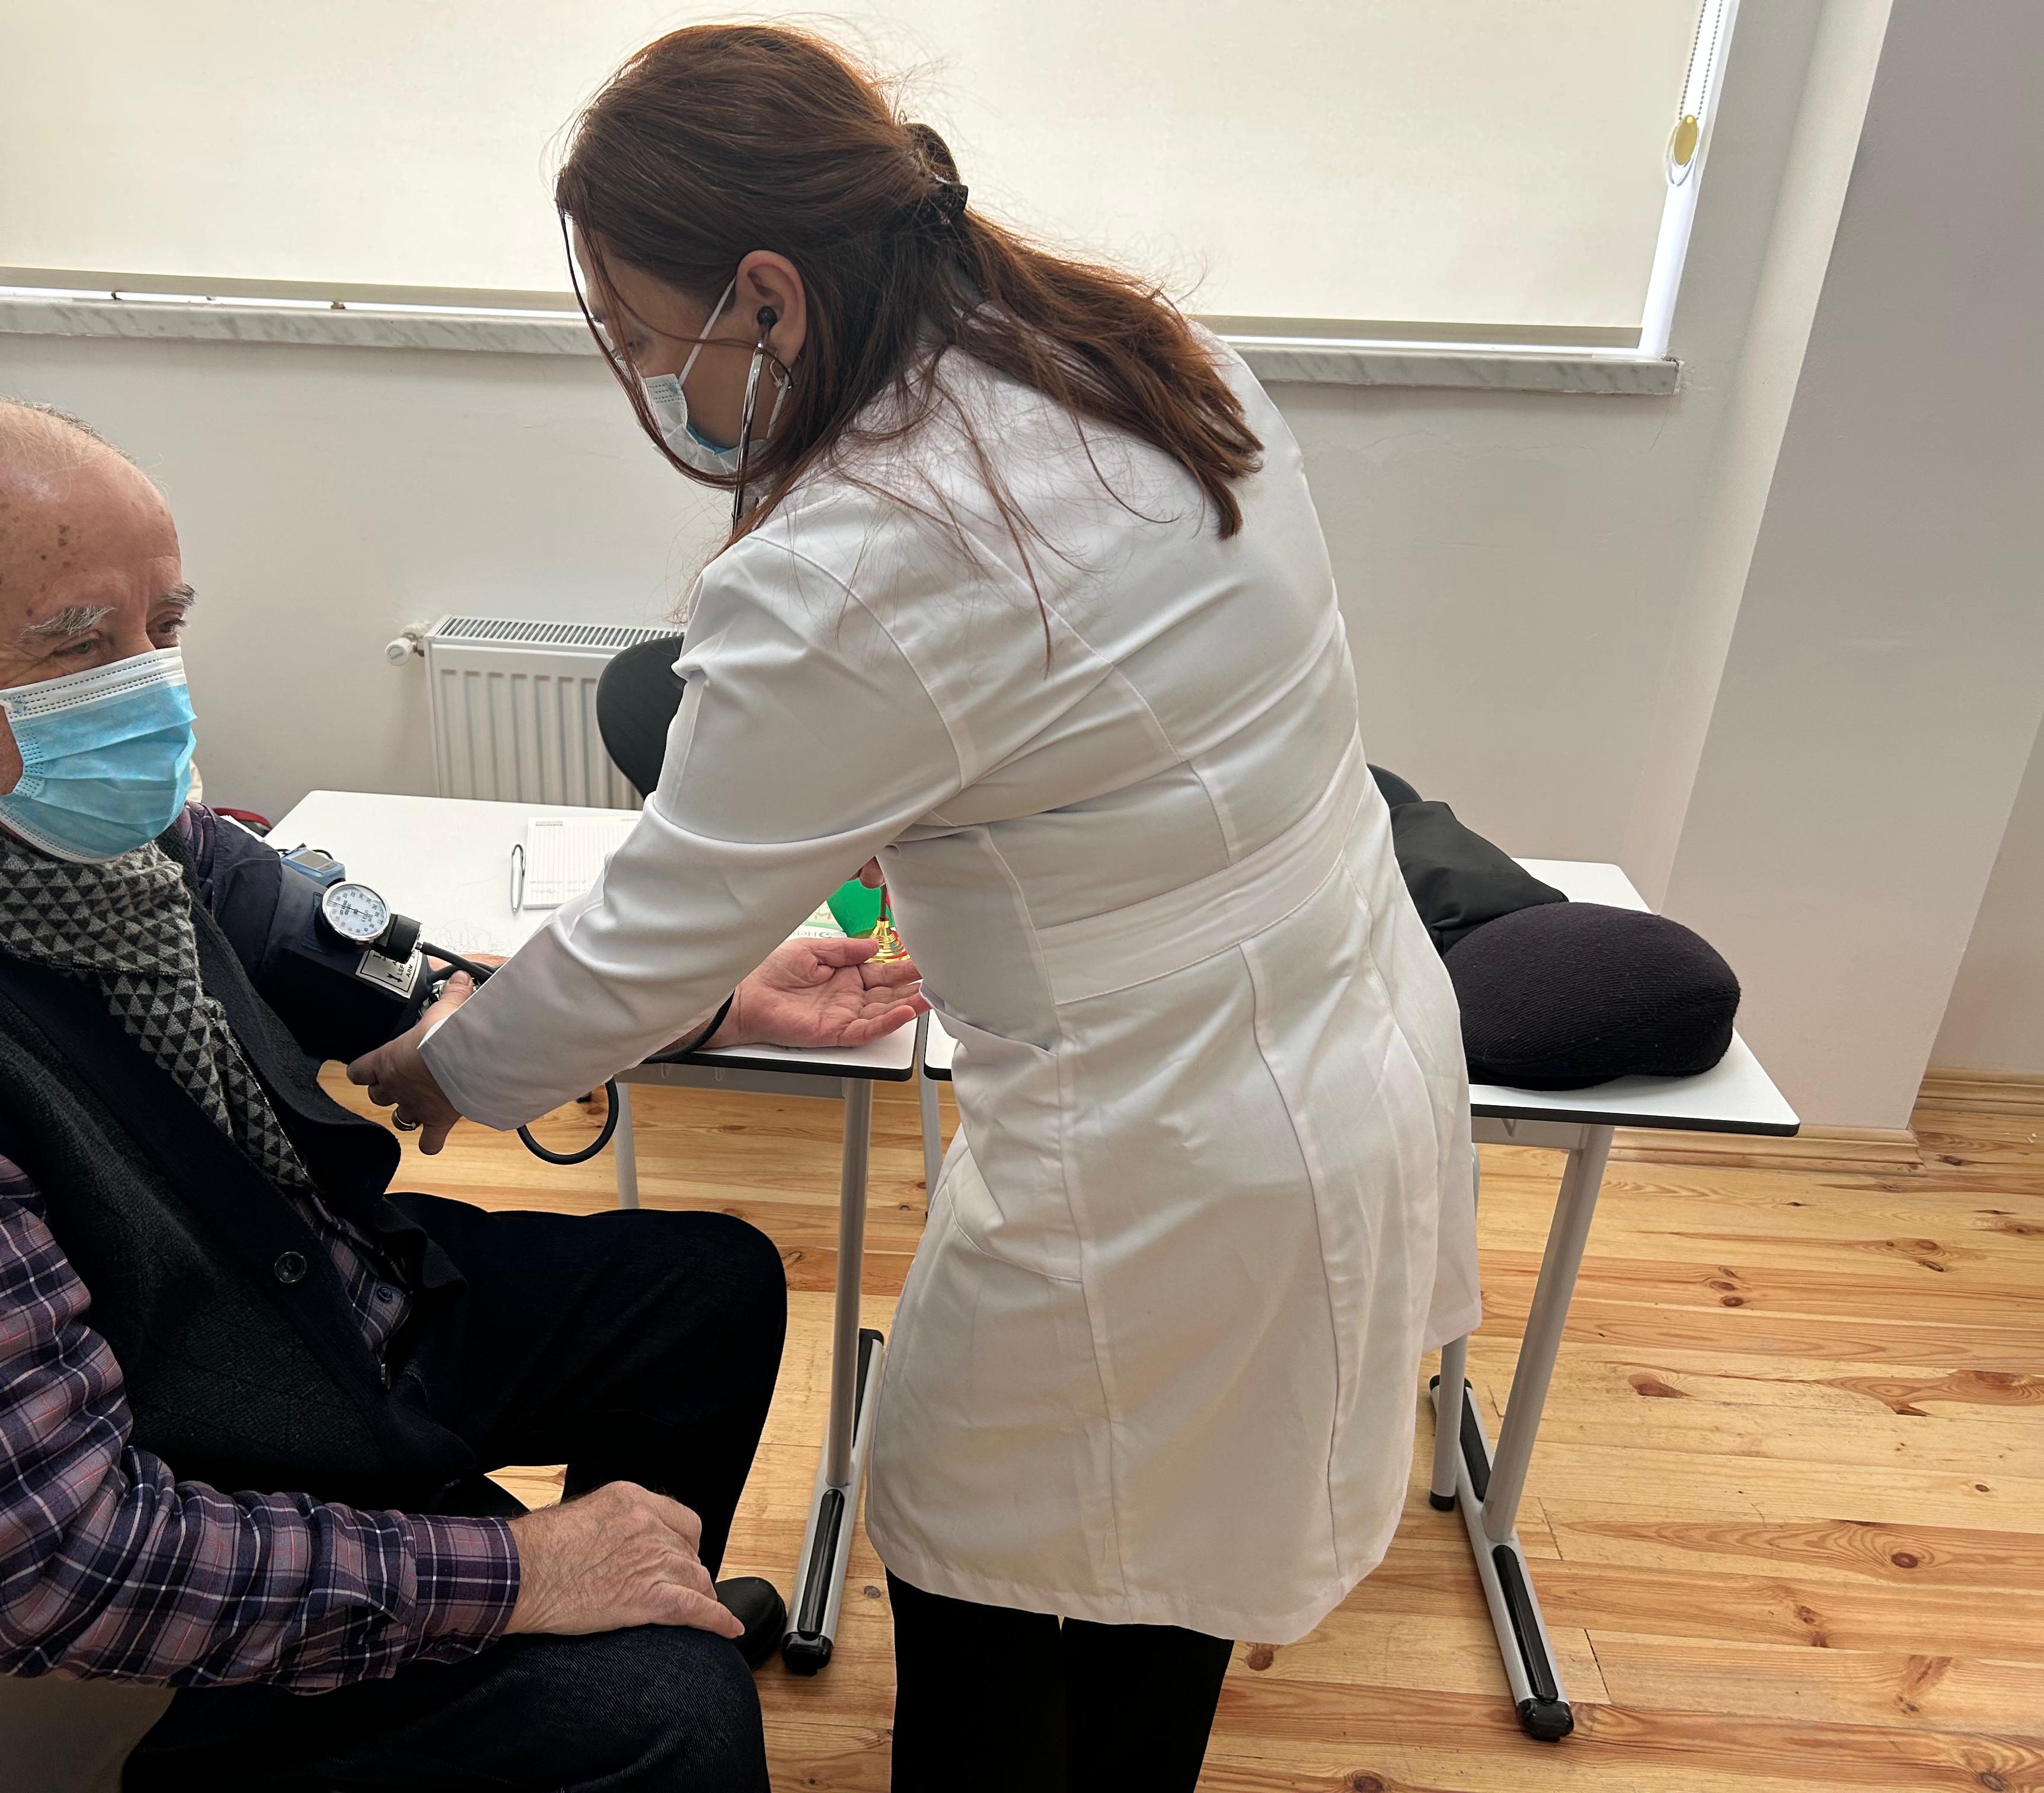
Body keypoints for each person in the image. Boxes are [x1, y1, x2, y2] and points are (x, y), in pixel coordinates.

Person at [347, 24, 1481, 1791]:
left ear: (771, 296)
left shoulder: (864, 559)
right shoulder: (1136, 353)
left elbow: (655, 933)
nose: (653, 381)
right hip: (1340, 1033)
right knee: (1153, 1565)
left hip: (1164, 1148)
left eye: (650, 340)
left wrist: (446, 1069)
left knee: (997, 1551)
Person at [0, 394, 918, 1792]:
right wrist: (513, 1571)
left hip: (285, 1322)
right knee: (668, 1716)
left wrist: (702, 999)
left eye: (165, 626)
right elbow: (70, 1569)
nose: (149, 688)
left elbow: (384, 977)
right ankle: (608, 1646)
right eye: (81, 644)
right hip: (160, 1551)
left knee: (705, 1292)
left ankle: (640, 1590)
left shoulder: (61, 833)